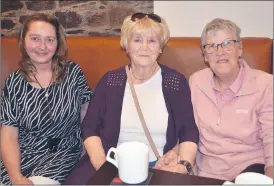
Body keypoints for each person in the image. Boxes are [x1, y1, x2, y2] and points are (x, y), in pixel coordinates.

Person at [63, 12, 199, 184]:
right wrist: (102, 165)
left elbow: (189, 132)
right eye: (137, 40)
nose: (144, 47)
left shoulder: (175, 82)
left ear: (160, 47)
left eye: (152, 41)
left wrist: (182, 166)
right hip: (111, 163)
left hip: (158, 167)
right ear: (126, 45)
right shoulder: (110, 81)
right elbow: (90, 127)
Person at [155, 18, 273, 181]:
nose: (220, 52)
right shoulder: (196, 81)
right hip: (205, 174)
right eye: (211, 46)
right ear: (204, 55)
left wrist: (269, 179)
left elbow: (271, 137)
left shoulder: (265, 84)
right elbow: (189, 128)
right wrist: (175, 153)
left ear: (239, 49)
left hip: (249, 171)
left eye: (227, 44)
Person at [0, 13, 93, 185]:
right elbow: (9, 136)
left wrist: (89, 152)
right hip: (23, 153)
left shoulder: (73, 72)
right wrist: (16, 177)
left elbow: (87, 113)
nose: (42, 46)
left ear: (58, 43)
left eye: (50, 40)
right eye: (35, 38)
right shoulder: (14, 83)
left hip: (63, 152)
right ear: (23, 40)